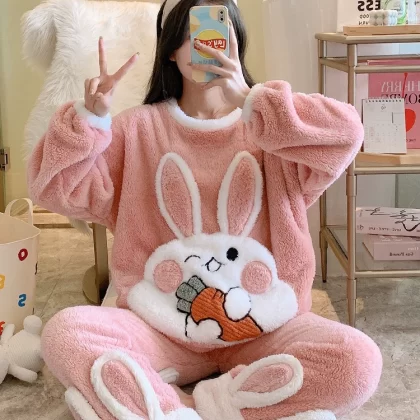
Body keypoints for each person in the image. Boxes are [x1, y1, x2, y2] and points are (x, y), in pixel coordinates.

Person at [27, 0, 382, 419]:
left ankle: (199, 404)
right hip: (160, 328)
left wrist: (250, 99)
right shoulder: (137, 128)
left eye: (214, 32)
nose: (203, 45)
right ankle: (183, 410)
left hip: (265, 329)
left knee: (357, 362)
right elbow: (53, 189)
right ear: (171, 51)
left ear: (235, 42)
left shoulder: (270, 125)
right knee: (65, 334)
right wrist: (89, 121)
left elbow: (346, 134)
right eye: (189, 34)